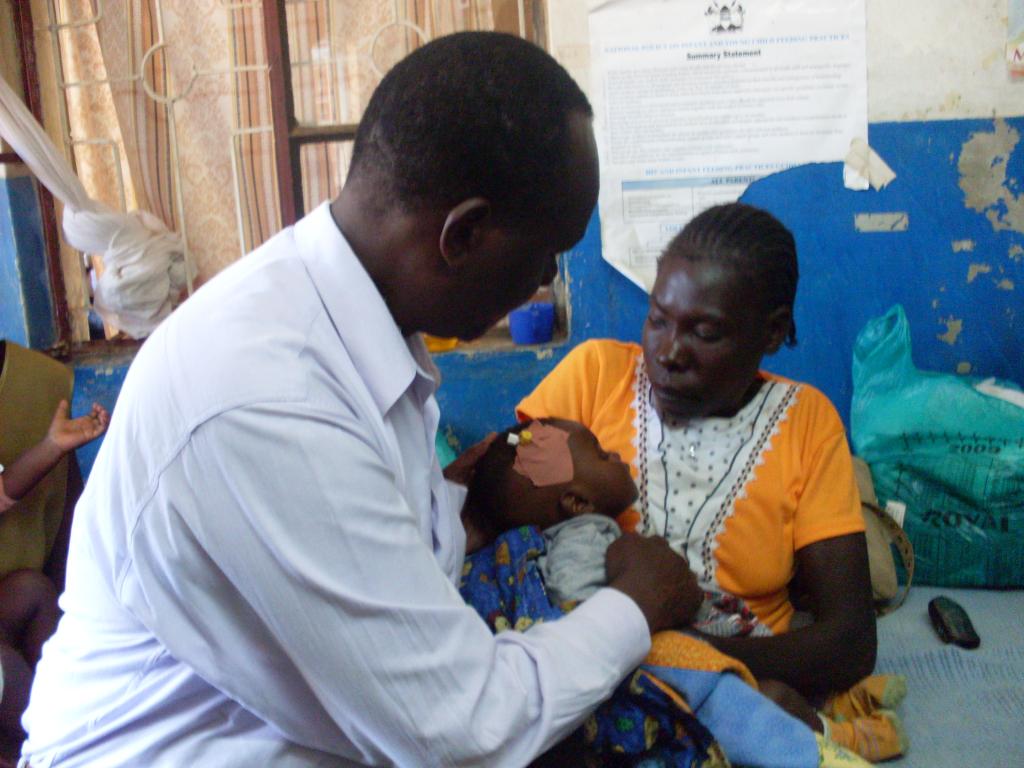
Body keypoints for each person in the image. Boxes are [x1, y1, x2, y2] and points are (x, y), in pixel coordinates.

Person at [21, 32, 703, 768]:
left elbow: (392, 552)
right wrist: (636, 602)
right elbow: (462, 730)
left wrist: (465, 510)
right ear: (464, 234)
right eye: (546, 253)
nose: (543, 278)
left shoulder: (361, 336)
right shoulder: (263, 397)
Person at [516, 202, 907, 762]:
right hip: (583, 654)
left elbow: (849, 640)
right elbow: (500, 489)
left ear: (771, 332)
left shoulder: (804, 422)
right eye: (657, 318)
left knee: (764, 716)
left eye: (704, 332)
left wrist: (699, 659)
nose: (669, 353)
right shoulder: (593, 376)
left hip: (735, 674)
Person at [0, 340, 108, 765]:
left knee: (33, 592)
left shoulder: (39, 381)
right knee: (6, 670)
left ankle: (65, 726)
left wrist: (53, 446)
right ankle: (47, 746)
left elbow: (4, 489)